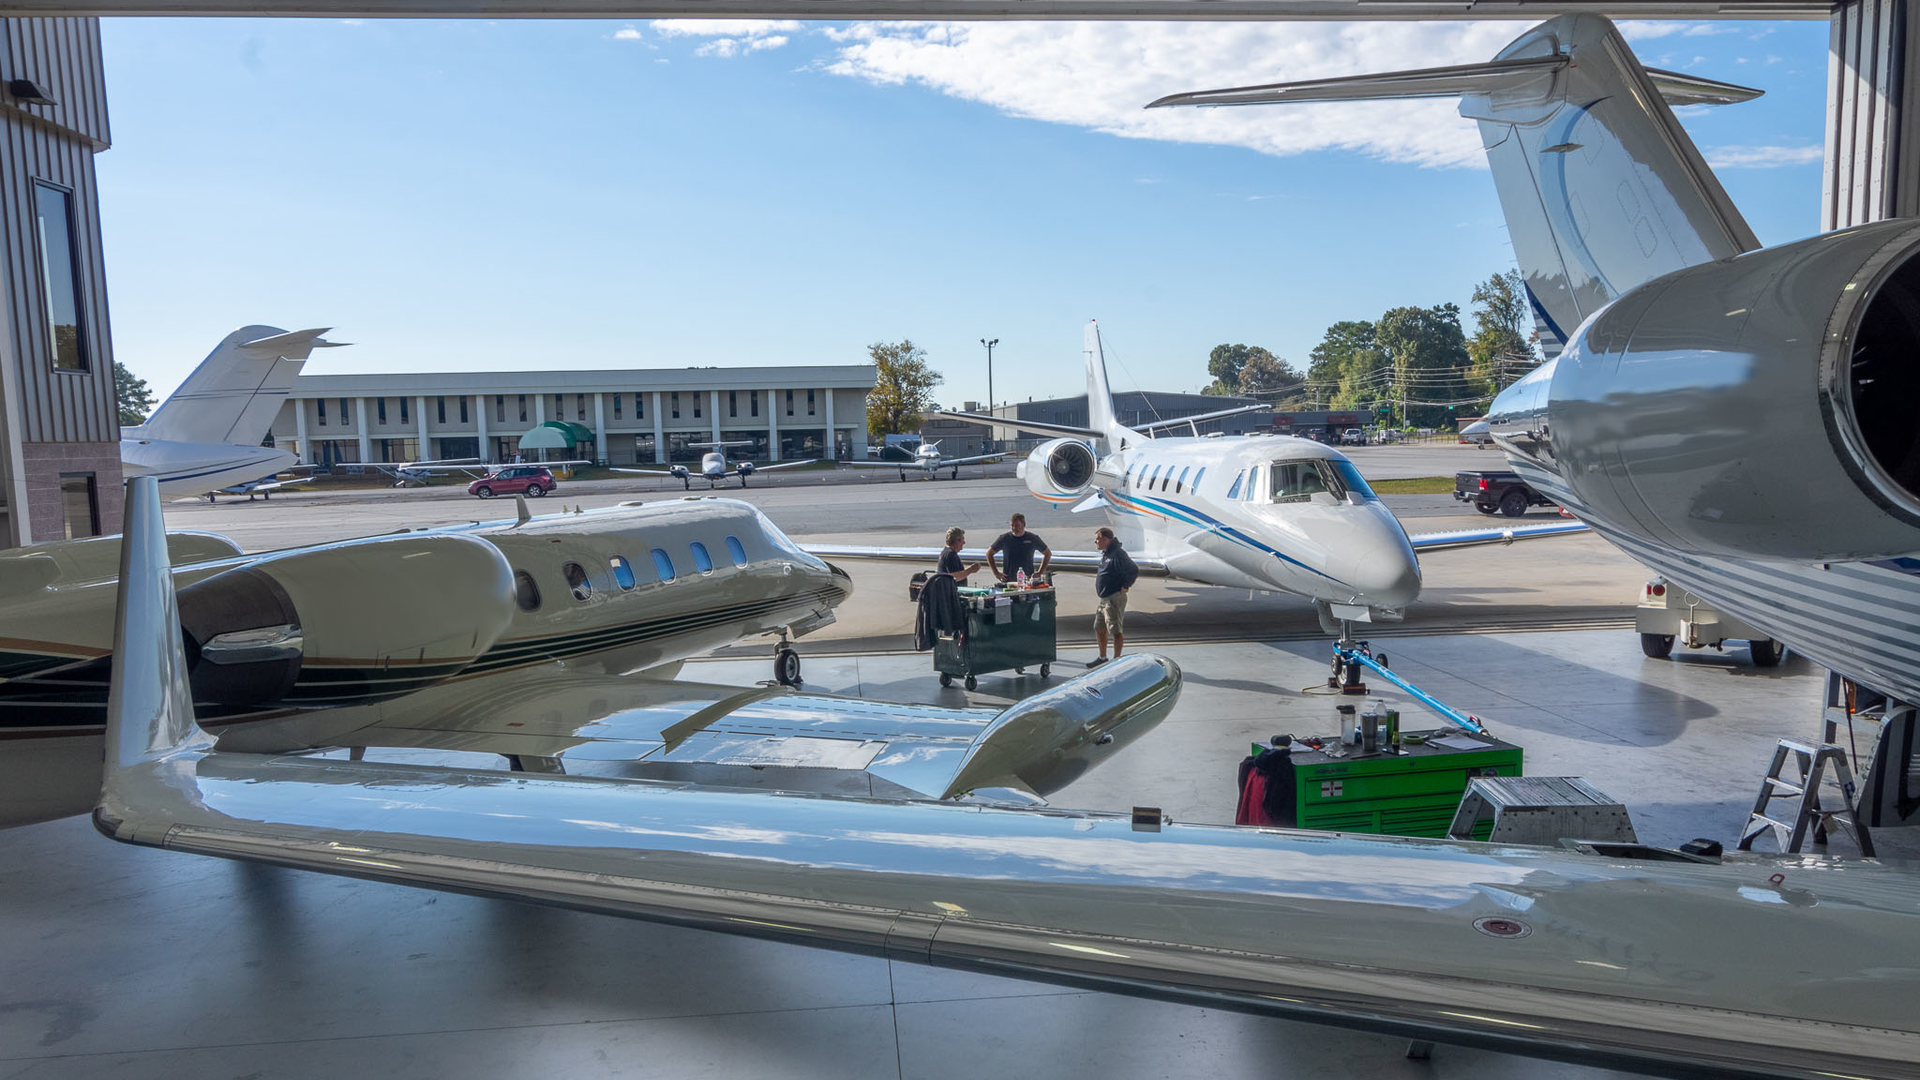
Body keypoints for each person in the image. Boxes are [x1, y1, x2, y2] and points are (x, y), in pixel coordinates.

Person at [1089, 526, 1137, 667]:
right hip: (1104, 599)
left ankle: (1116, 661)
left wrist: (1126, 585)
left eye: (1097, 539)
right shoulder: (1106, 553)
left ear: (1105, 539)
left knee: (1115, 630)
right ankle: (1103, 657)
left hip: (1114, 597)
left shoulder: (1117, 554)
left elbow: (1133, 569)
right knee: (1099, 627)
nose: (1095, 541)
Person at [987, 513, 1052, 583]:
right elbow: (989, 553)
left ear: (1024, 525)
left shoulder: (1032, 538)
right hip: (1009, 581)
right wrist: (996, 573)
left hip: (1027, 580)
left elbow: (1047, 553)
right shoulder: (1004, 539)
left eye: (1017, 526)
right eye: (1012, 526)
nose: (1014, 528)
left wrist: (1040, 572)